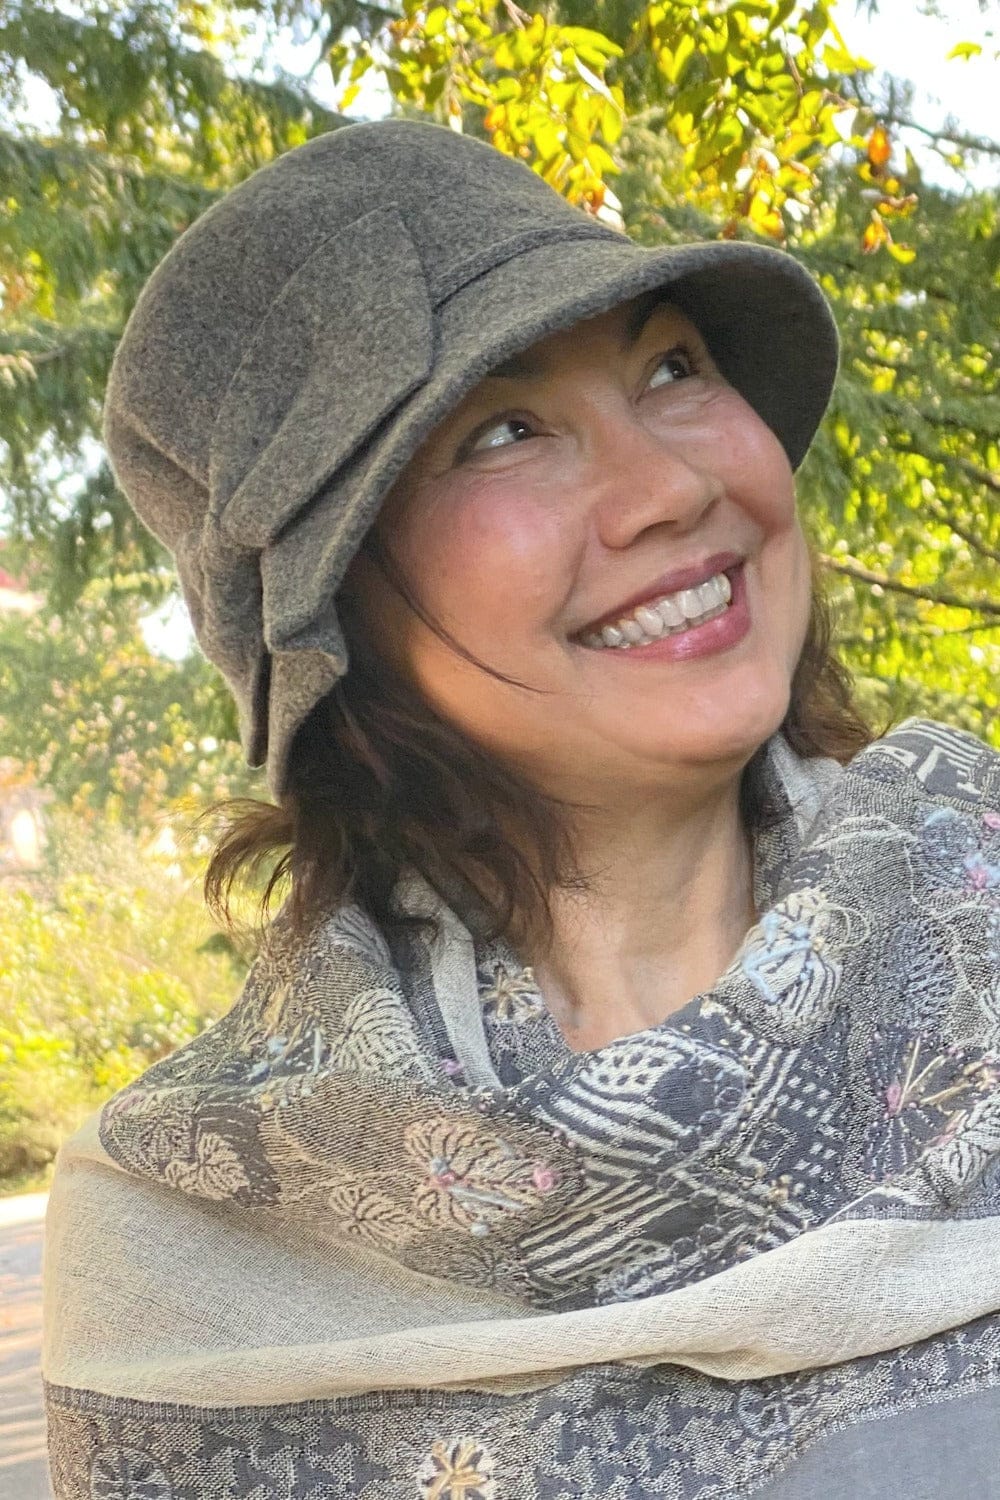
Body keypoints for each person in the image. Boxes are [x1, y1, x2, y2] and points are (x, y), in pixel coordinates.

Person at [42, 118, 1000, 1500]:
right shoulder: (186, 1234)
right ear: (336, 614)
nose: (675, 486)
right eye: (503, 431)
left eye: (673, 365)